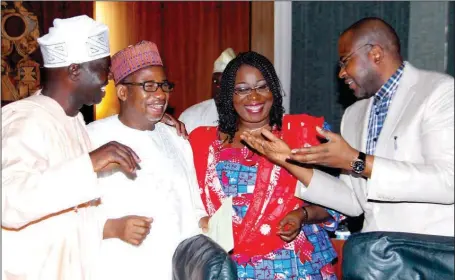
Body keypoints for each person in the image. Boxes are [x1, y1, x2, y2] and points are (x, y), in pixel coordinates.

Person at [241, 17, 454, 237]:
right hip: (380, 258)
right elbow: (352, 202)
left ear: (376, 54)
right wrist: (289, 160)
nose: (341, 73)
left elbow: (448, 182)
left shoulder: (439, 93)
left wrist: (357, 161)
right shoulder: (354, 115)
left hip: (430, 256)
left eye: (345, 61)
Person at [2, 15, 142, 280]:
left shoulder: (74, 121)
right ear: (75, 70)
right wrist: (88, 164)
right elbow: (9, 202)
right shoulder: (25, 118)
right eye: (103, 66)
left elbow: (70, 218)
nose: (109, 76)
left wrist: (113, 227)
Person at [189, 51, 343, 279]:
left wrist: (302, 215)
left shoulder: (305, 134)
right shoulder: (202, 143)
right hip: (230, 270)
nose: (254, 97)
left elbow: (338, 201)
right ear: (228, 95)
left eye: (262, 86)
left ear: (273, 89)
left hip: (296, 268)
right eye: (242, 89)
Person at [87, 41, 209, 280]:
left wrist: (205, 221)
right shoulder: (92, 138)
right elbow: (67, 213)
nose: (161, 94)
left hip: (176, 269)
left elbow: (194, 205)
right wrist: (112, 227)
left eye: (164, 85)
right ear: (122, 92)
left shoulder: (176, 138)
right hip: (119, 269)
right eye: (149, 86)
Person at [179, 48, 236, 133]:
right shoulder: (191, 116)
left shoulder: (250, 116)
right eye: (215, 81)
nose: (219, 87)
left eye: (226, 83)